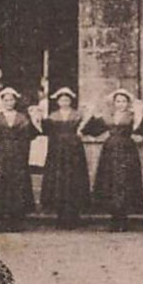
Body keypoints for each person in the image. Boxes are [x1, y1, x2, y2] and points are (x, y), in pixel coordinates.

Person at [86, 89, 143, 231]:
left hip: (127, 152)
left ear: (128, 103)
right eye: (118, 101)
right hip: (110, 153)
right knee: (111, 183)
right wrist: (91, 114)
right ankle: (114, 219)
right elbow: (91, 129)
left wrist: (139, 126)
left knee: (125, 182)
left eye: (123, 101)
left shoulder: (133, 116)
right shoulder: (108, 116)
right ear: (114, 103)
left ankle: (124, 219)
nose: (120, 104)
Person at [0, 88, 37, 229]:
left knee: (17, 181)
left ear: (15, 101)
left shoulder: (23, 117)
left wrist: (35, 121)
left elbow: (32, 134)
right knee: (1, 180)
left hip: (18, 152)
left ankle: (16, 218)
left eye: (11, 100)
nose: (9, 103)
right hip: (1, 152)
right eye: (6, 100)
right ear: (2, 101)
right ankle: (2, 217)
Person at [38, 88, 91, 226]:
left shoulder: (77, 115)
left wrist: (87, 118)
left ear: (71, 101)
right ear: (58, 102)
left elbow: (87, 129)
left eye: (67, 100)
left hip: (74, 151)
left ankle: (74, 215)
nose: (64, 102)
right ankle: (60, 215)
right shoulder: (53, 116)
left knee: (74, 179)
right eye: (62, 100)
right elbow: (44, 130)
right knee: (59, 180)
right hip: (57, 150)